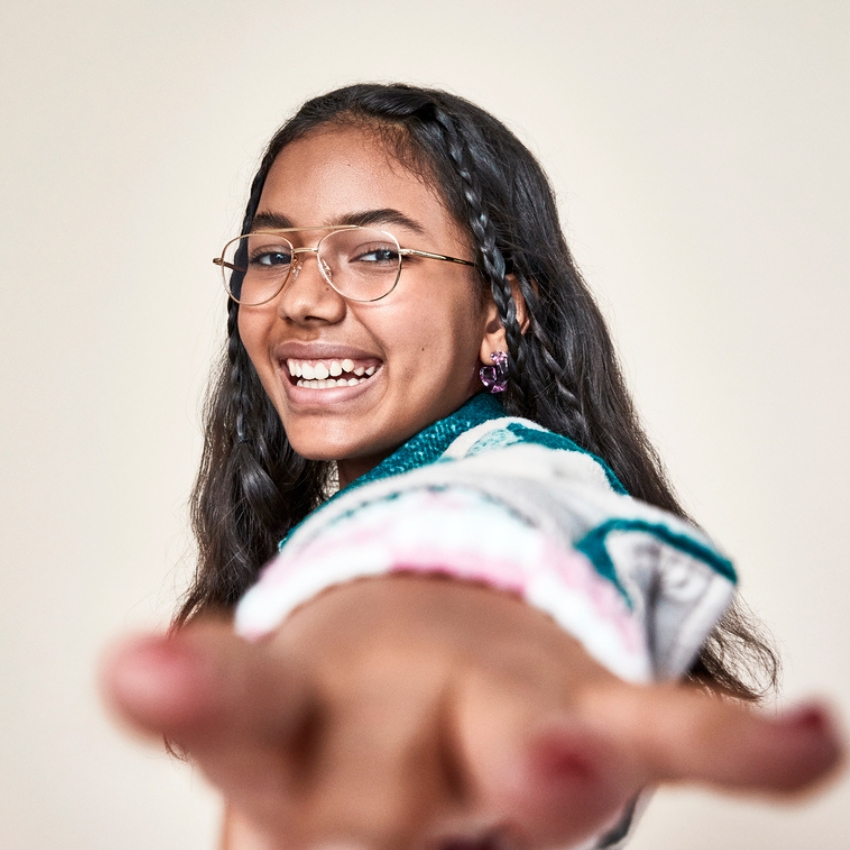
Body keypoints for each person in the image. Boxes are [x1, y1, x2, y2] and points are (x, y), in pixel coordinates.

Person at [102, 84, 843, 850]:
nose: (303, 300)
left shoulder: (519, 472)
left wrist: (433, 591)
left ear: (500, 314)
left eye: (377, 253)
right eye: (273, 255)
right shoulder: (308, 537)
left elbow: (505, 515)